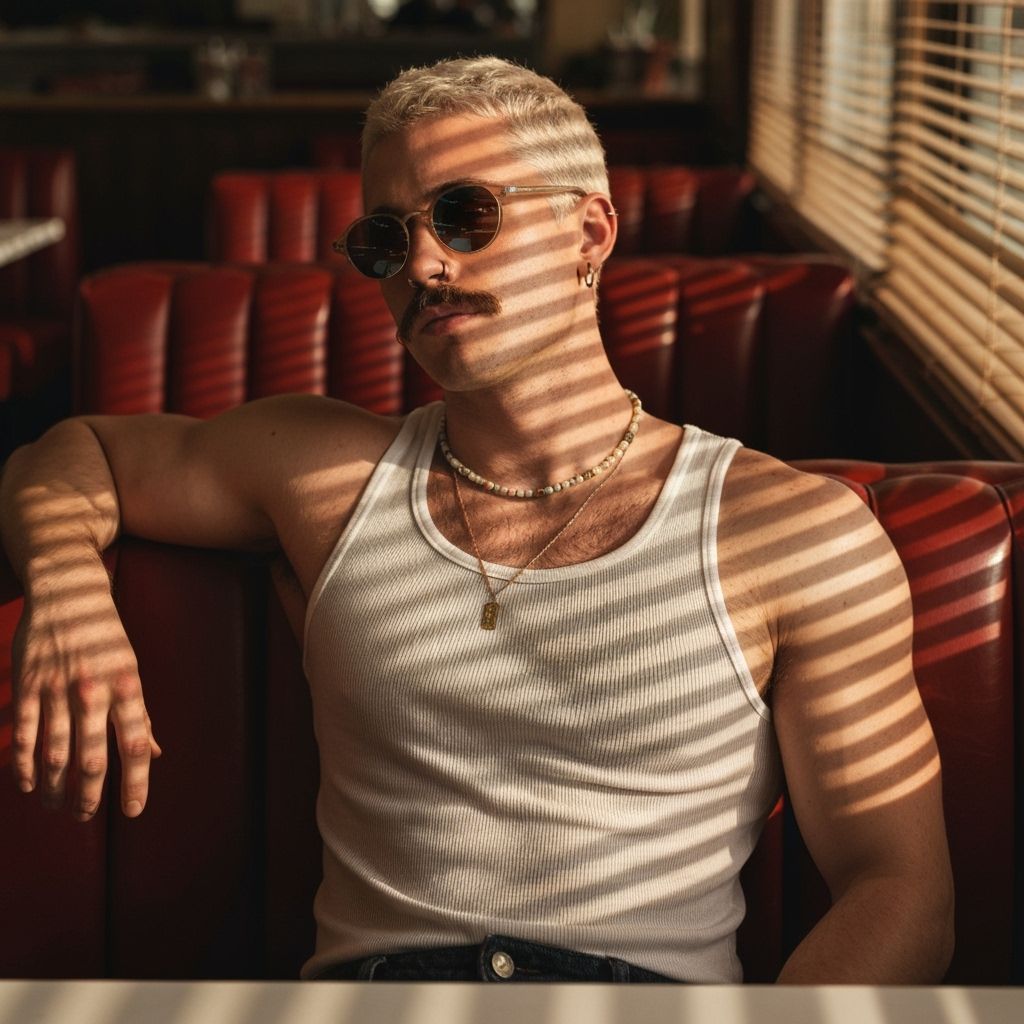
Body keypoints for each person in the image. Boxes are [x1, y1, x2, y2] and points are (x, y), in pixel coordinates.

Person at [0, 56, 953, 984]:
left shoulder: (795, 534)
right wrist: (70, 590)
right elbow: (72, 451)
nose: (423, 260)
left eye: (466, 214)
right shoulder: (323, 470)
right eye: (386, 237)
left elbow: (898, 885)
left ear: (589, 232)